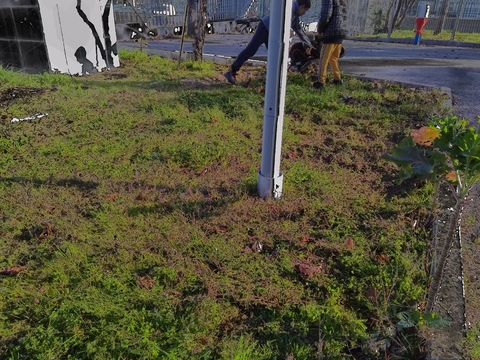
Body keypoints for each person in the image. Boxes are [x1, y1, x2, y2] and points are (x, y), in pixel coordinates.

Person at [224, 0, 313, 85]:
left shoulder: (295, 15)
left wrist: (309, 44)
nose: (304, 13)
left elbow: (299, 31)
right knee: (251, 49)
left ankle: (269, 79)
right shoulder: (289, 8)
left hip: (272, 31)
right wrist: (287, 32)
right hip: (265, 27)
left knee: (275, 55)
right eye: (305, 10)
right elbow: (281, 21)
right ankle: (232, 71)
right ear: (302, 6)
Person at [313, 0, 348, 89]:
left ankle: (321, 82)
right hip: (341, 31)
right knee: (334, 58)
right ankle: (337, 78)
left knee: (323, 58)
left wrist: (320, 30)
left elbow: (326, 14)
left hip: (331, 32)